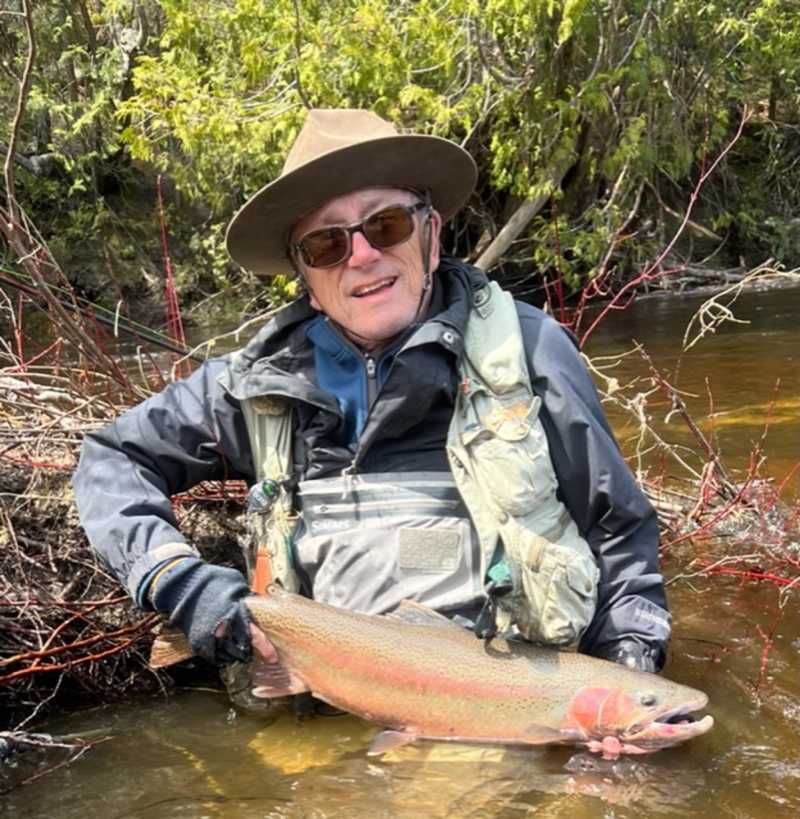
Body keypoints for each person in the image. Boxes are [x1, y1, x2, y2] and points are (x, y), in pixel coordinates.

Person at [72, 109, 671, 679]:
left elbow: (617, 531)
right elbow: (112, 458)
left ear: (431, 237)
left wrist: (629, 665)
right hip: (328, 704)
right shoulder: (254, 383)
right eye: (326, 245)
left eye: (386, 225)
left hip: (506, 706)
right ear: (305, 278)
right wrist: (176, 579)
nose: (361, 256)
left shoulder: (530, 350)